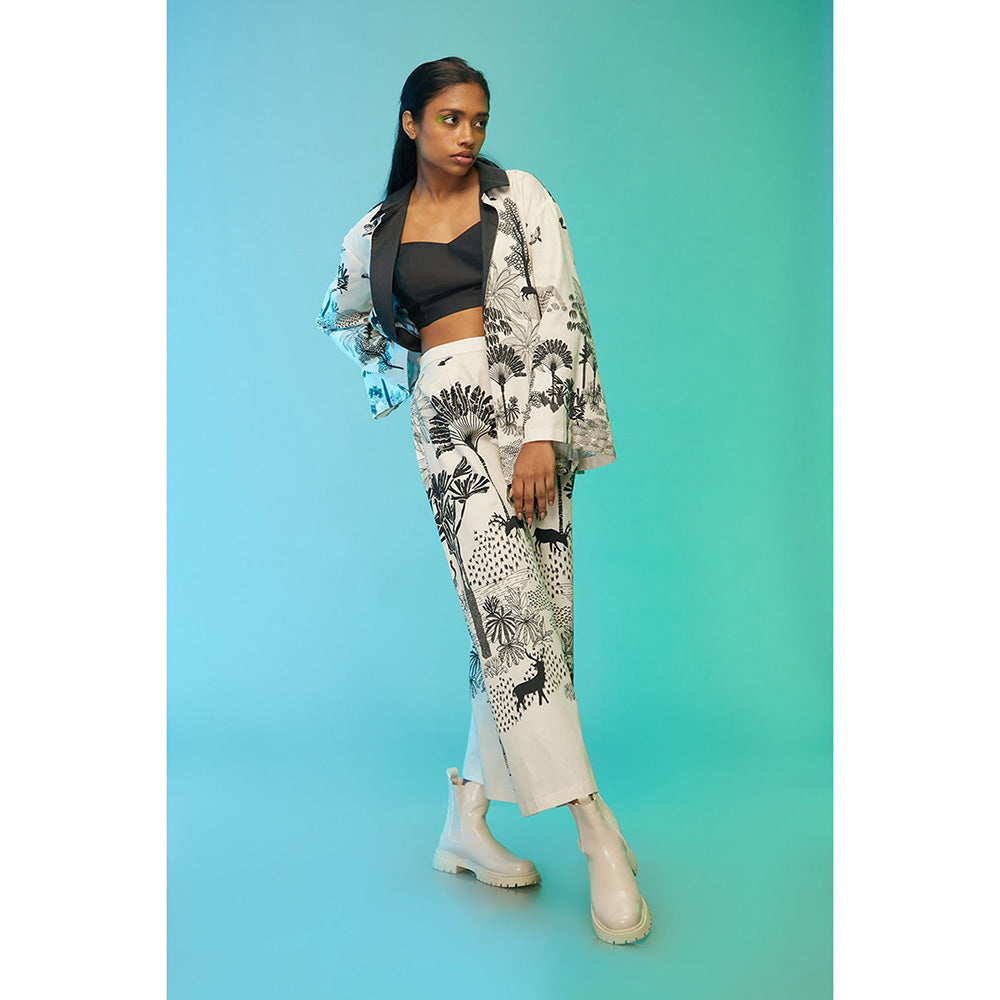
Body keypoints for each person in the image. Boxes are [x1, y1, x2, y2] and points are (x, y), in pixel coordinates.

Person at [316, 56, 651, 945]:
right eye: (450, 119)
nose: (467, 136)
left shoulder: (521, 197)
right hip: (448, 424)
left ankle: (466, 816)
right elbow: (344, 317)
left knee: (533, 623)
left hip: (531, 418)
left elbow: (560, 308)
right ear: (411, 123)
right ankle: (596, 832)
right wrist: (411, 371)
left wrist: (544, 431)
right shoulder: (376, 233)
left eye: (479, 120)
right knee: (509, 616)